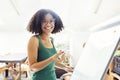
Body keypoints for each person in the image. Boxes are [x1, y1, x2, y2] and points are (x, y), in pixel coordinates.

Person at [27, 9, 73, 80]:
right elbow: (32, 68)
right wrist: (52, 58)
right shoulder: (34, 40)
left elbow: (50, 64)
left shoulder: (51, 39)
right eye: (44, 21)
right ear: (38, 23)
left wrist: (65, 67)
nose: (48, 24)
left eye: (51, 21)